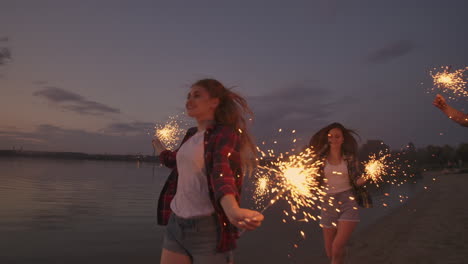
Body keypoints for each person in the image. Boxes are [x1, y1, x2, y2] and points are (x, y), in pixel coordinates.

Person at [152, 79, 264, 264]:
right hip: (176, 224)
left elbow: (220, 171)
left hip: (208, 230)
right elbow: (175, 161)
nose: (189, 100)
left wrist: (232, 210)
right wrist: (159, 148)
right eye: (188, 96)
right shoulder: (191, 134)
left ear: (214, 102)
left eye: (197, 95)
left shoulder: (225, 134)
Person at [309, 123, 372, 264]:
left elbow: (356, 180)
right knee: (330, 252)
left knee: (337, 246)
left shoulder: (349, 157)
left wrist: (367, 177)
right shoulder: (320, 159)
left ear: (343, 139)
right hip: (327, 202)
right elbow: (313, 180)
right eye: (330, 136)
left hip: (348, 201)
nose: (333, 139)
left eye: (337, 136)